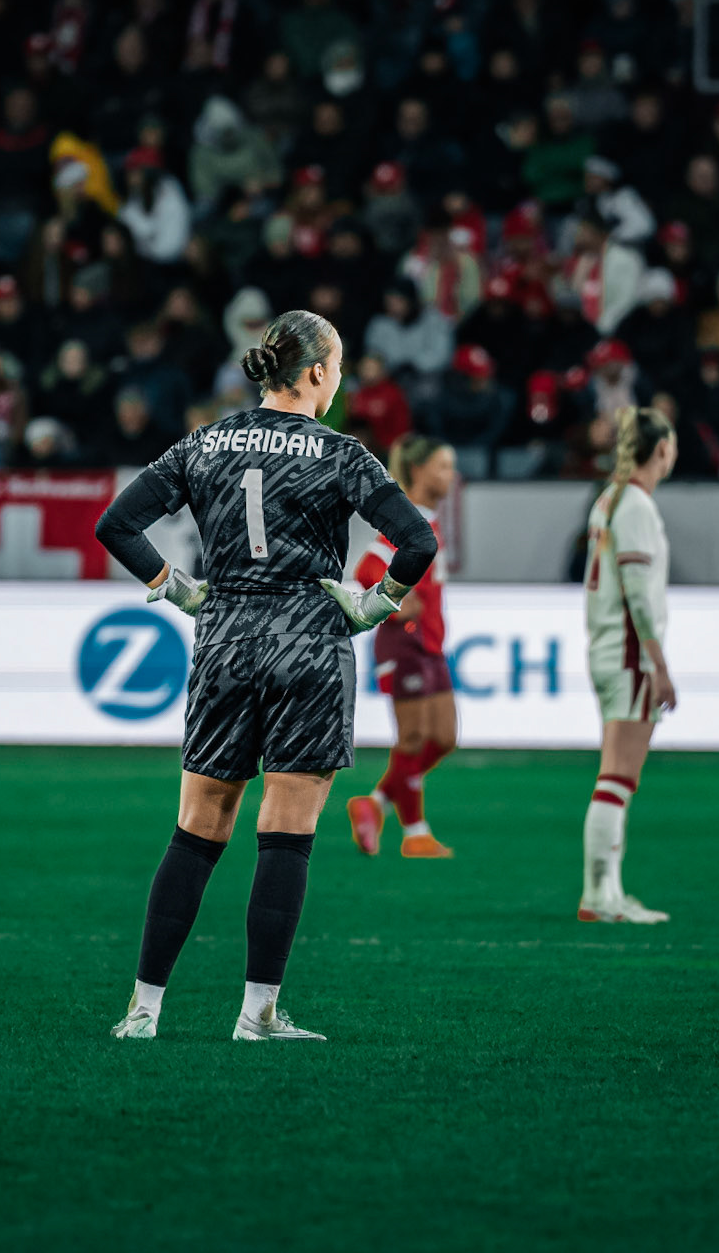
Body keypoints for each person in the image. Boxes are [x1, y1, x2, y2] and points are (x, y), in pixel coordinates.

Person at [94, 308, 437, 1043]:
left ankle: (143, 1010)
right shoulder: (341, 454)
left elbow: (116, 525)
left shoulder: (205, 441)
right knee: (286, 834)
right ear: (314, 372)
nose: (339, 379)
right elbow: (418, 539)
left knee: (196, 830)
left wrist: (176, 587)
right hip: (308, 643)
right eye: (337, 366)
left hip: (223, 639)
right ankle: (258, 1015)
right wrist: (377, 605)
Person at [579, 405, 678, 925]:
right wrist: (659, 665)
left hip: (606, 648)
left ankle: (608, 892)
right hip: (629, 653)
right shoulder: (636, 504)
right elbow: (638, 596)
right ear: (661, 449)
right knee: (618, 777)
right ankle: (600, 896)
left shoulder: (608, 500)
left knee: (614, 776)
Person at [345, 436, 457, 860]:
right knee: (412, 738)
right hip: (403, 641)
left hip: (430, 643)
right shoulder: (407, 518)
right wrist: (391, 598)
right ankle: (416, 833)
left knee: (444, 738)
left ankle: (373, 804)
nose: (450, 476)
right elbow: (369, 563)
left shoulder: (429, 519)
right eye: (443, 467)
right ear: (420, 471)